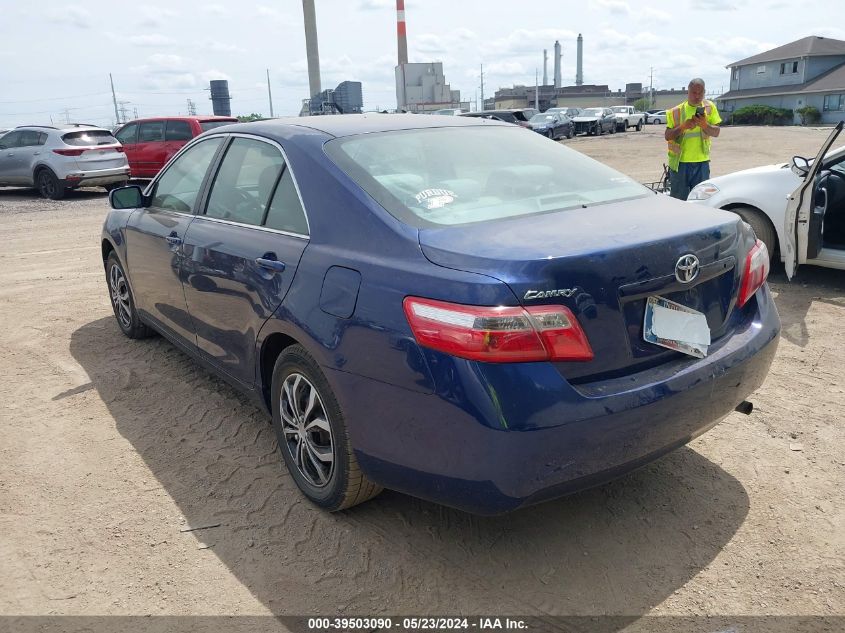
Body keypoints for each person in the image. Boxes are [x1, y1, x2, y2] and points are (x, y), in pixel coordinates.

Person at [664, 78, 721, 200]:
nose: (697, 96)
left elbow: (716, 132)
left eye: (700, 93)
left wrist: (705, 125)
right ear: (688, 92)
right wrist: (683, 127)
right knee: (679, 201)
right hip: (680, 164)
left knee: (701, 200)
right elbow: (667, 136)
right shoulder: (675, 111)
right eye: (693, 93)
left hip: (702, 163)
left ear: (704, 92)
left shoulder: (710, 108)